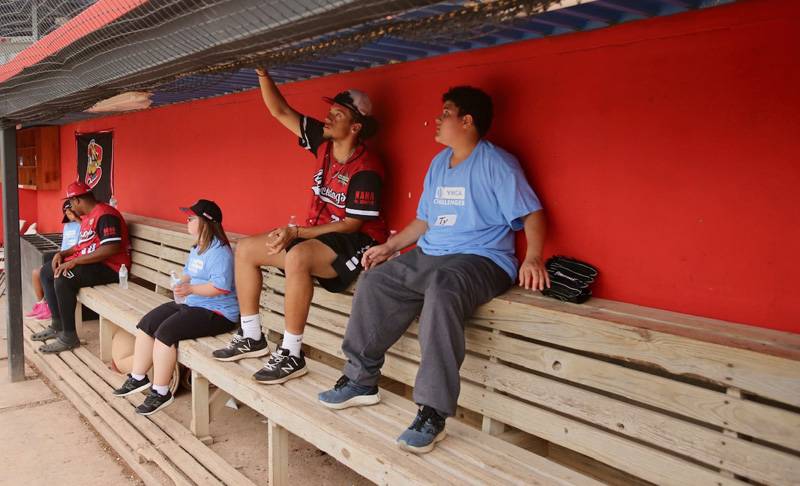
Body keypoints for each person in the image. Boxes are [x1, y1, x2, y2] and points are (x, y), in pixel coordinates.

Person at [318, 86, 550, 454]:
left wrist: (533, 257)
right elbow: (423, 220)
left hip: (481, 259)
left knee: (441, 285)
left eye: (446, 113)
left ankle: (432, 411)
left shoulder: (497, 163)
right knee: (376, 278)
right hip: (431, 254)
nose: (438, 120)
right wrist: (390, 246)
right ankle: (360, 381)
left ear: (467, 121)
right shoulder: (439, 163)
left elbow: (532, 213)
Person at [211, 67, 388, 385]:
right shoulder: (323, 142)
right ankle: (252, 335)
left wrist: (297, 233)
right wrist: (263, 72)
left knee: (297, 256)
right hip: (316, 237)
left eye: (338, 114)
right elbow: (279, 110)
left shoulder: (367, 167)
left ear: (356, 126)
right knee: (248, 249)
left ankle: (292, 353)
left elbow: (350, 225)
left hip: (355, 241)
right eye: (330, 111)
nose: (329, 117)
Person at [113, 199, 238, 415]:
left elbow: (221, 287)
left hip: (218, 313)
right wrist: (182, 281)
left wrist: (190, 290)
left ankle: (161, 392)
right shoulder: (199, 247)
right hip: (194, 303)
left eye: (191, 218)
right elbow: (190, 271)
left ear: (206, 222)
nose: (187, 222)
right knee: (147, 324)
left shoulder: (220, 252)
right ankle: (138, 377)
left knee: (165, 334)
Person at [31, 181, 131, 353]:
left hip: (111, 268)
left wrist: (75, 261)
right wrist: (63, 254)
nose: (70, 207)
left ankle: (69, 336)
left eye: (70, 203)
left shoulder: (106, 214)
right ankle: (57, 324)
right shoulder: (88, 217)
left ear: (77, 200)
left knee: (62, 278)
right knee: (47, 271)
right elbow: (82, 247)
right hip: (94, 264)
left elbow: (111, 248)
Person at [25, 200, 82, 320]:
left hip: (75, 260)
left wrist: (77, 219)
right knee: (36, 273)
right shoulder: (67, 225)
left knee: (44, 274)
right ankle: (42, 305)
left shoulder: (83, 223)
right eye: (67, 213)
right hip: (64, 258)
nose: (70, 214)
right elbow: (65, 246)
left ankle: (51, 309)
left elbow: (87, 233)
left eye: (71, 211)